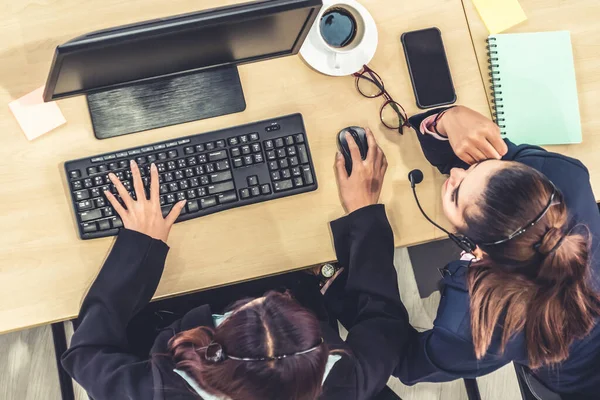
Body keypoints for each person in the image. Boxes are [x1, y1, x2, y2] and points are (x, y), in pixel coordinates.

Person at [61, 128, 410, 400]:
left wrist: (139, 247)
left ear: (214, 354)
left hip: (162, 319)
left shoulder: (160, 390)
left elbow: (86, 354)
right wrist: (364, 215)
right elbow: (385, 322)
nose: (264, 296)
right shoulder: (346, 382)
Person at [387, 105, 600, 398]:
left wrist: (363, 224)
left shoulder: (479, 327)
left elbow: (407, 361)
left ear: (480, 251)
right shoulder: (560, 176)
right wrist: (447, 120)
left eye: (456, 191)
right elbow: (496, 170)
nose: (457, 171)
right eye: (475, 166)